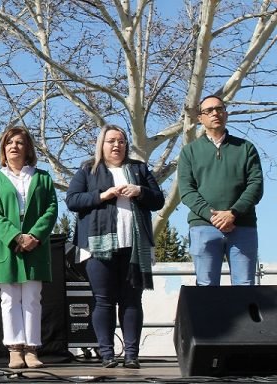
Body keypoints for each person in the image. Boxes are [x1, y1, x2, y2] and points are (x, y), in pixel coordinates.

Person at [66, 125, 164, 369]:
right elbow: (73, 200)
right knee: (104, 300)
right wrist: (103, 195)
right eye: (111, 141)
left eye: (121, 141)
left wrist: (140, 191)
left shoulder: (139, 169)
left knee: (132, 301)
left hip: (134, 246)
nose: (117, 145)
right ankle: (107, 354)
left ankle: (131, 355)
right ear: (102, 144)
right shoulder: (88, 170)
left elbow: (158, 200)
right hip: (97, 247)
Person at [0, 127, 57, 370]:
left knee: (33, 298)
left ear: (28, 148)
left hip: (35, 245)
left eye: (19, 143)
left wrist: (34, 235)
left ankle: (32, 348)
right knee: (10, 298)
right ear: (3, 149)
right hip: (7, 246)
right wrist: (15, 237)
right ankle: (15, 349)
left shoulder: (43, 177)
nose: (14, 146)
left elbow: (51, 209)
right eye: (9, 143)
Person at [178, 95, 263, 286]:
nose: (215, 113)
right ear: (200, 118)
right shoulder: (189, 152)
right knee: (206, 288)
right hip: (203, 227)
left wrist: (232, 214)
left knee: (245, 287)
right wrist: (214, 216)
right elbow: (187, 191)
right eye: (208, 111)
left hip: (243, 226)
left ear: (226, 114)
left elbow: (256, 185)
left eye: (219, 109)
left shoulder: (246, 148)